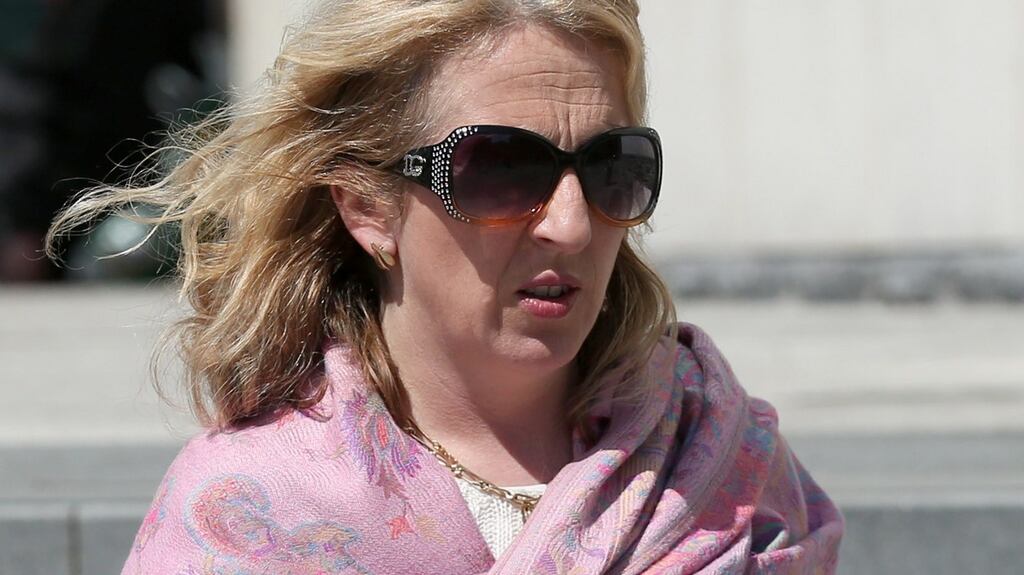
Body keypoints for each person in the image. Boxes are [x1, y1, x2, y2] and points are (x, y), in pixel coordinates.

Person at [48, 0, 844, 572]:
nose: (570, 224)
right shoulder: (250, 507)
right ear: (366, 206)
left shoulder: (722, 456)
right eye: (502, 169)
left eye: (612, 167)